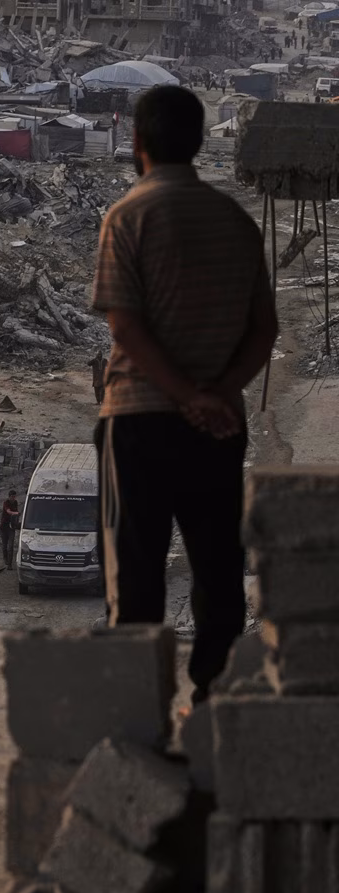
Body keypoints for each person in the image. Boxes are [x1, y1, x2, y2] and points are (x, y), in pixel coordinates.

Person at [91, 85, 278, 706]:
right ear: (198, 142)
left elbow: (124, 327)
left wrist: (180, 394)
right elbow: (264, 331)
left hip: (139, 419)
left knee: (136, 573)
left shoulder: (127, 217)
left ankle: (139, 715)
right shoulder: (235, 222)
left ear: (137, 142)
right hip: (218, 427)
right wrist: (215, 394)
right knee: (217, 566)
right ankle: (211, 698)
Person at [0, 490, 22, 569]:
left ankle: (9, 563)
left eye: (14, 496)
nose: (13, 498)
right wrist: (15, 513)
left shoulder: (15, 502)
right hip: (4, 526)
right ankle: (5, 558)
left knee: (11, 546)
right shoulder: (6, 502)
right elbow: (8, 511)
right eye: (12, 496)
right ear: (9, 497)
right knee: (4, 545)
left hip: (11, 527)